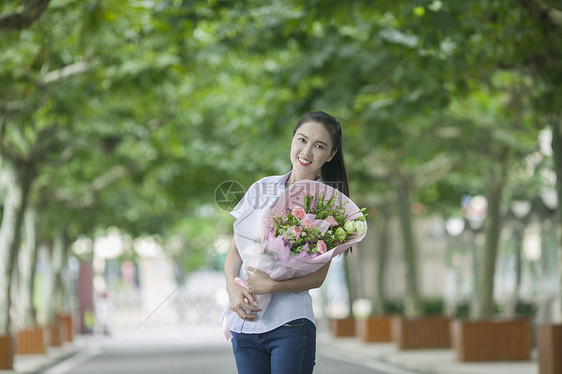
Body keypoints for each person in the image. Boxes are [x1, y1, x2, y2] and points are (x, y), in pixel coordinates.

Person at [223, 111, 350, 374]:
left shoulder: (330, 205)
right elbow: (235, 249)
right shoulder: (261, 188)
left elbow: (317, 278)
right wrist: (232, 290)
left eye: (319, 146)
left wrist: (271, 285)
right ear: (292, 140)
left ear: (331, 154)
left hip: (290, 325)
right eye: (302, 140)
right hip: (246, 324)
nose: (307, 151)